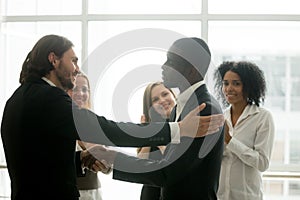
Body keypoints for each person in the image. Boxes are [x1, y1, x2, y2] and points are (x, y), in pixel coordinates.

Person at [0, 34, 224, 200]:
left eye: (170, 60)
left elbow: (39, 158)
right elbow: (105, 129)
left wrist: (88, 160)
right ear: (53, 60)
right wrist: (178, 129)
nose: (77, 69)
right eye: (74, 60)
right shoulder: (49, 98)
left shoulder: (18, 98)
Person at [86, 37, 225, 200]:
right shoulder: (180, 108)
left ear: (191, 71)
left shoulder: (204, 110)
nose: (163, 66)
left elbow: (168, 172)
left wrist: (113, 158)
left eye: (171, 61)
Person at [213, 61, 275, 200]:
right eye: (225, 83)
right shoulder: (220, 117)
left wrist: (229, 140)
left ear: (249, 86)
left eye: (236, 83)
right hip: (220, 196)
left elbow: (262, 163)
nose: (229, 89)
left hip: (247, 196)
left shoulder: (262, 118)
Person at [67, 72, 111, 200]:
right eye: (75, 88)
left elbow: (108, 168)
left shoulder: (94, 124)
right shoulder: (61, 123)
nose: (80, 93)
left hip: (93, 194)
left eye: (84, 89)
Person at [137, 82, 176, 200]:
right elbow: (139, 166)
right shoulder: (152, 127)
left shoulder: (186, 124)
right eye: (155, 99)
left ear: (173, 95)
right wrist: (148, 133)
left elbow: (174, 163)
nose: (162, 100)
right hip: (151, 194)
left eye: (165, 94)